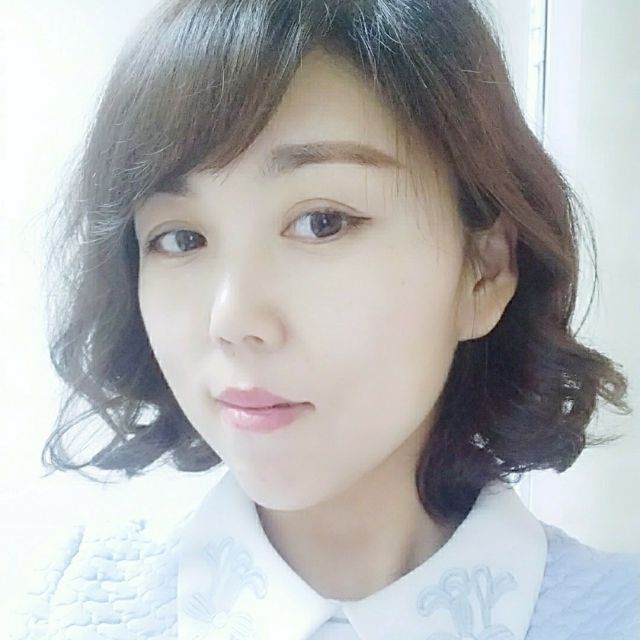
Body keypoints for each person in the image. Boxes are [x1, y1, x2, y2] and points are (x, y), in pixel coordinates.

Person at [8, 0, 639, 638]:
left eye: (321, 222)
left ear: (484, 269)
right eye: (180, 239)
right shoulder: (68, 610)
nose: (233, 319)